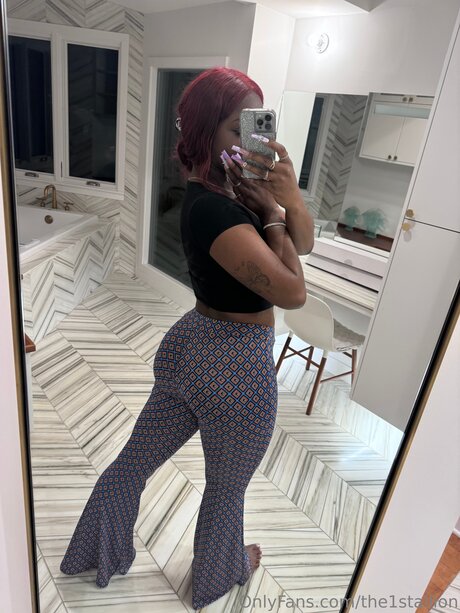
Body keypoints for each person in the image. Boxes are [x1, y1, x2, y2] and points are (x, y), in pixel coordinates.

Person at [59, 67, 314, 611]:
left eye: (256, 124)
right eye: (236, 128)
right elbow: (293, 292)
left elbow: (305, 242)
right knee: (225, 489)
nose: (251, 140)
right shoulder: (219, 210)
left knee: (134, 461)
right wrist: (274, 213)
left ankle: (94, 550)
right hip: (236, 370)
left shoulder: (219, 193)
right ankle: (219, 575)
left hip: (190, 348)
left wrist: (285, 200)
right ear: (203, 132)